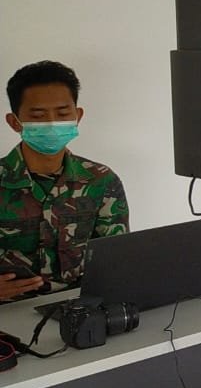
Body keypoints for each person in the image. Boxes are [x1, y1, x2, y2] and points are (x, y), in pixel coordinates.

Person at [0, 61, 129, 301]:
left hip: (79, 304)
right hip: (8, 311)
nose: (51, 123)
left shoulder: (101, 181)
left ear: (77, 116)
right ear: (14, 122)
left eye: (62, 114)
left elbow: (116, 258)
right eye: (38, 116)